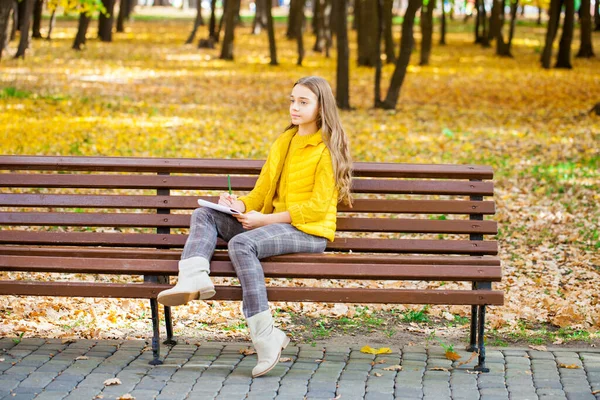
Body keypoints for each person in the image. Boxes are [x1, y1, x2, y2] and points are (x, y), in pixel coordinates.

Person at [157, 76, 353, 377]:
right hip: (275, 226)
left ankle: (266, 337)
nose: (295, 108)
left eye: (303, 102)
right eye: (292, 100)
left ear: (321, 107)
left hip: (310, 231)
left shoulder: (325, 150)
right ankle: (193, 278)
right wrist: (239, 205)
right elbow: (261, 193)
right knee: (204, 215)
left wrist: (264, 220)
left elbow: (316, 207)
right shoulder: (284, 142)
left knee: (241, 243)